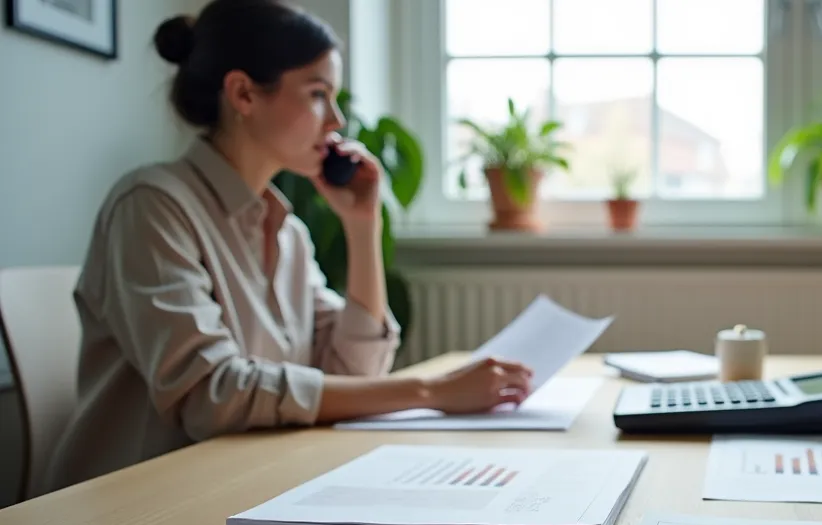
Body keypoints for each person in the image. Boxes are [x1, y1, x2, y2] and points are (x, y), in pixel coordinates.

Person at [37, 0, 532, 496]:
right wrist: (430, 391)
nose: (336, 120)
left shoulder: (287, 232)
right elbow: (212, 396)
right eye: (318, 94)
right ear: (244, 93)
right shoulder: (152, 206)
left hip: (243, 487)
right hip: (142, 506)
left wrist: (362, 229)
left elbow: (354, 373)